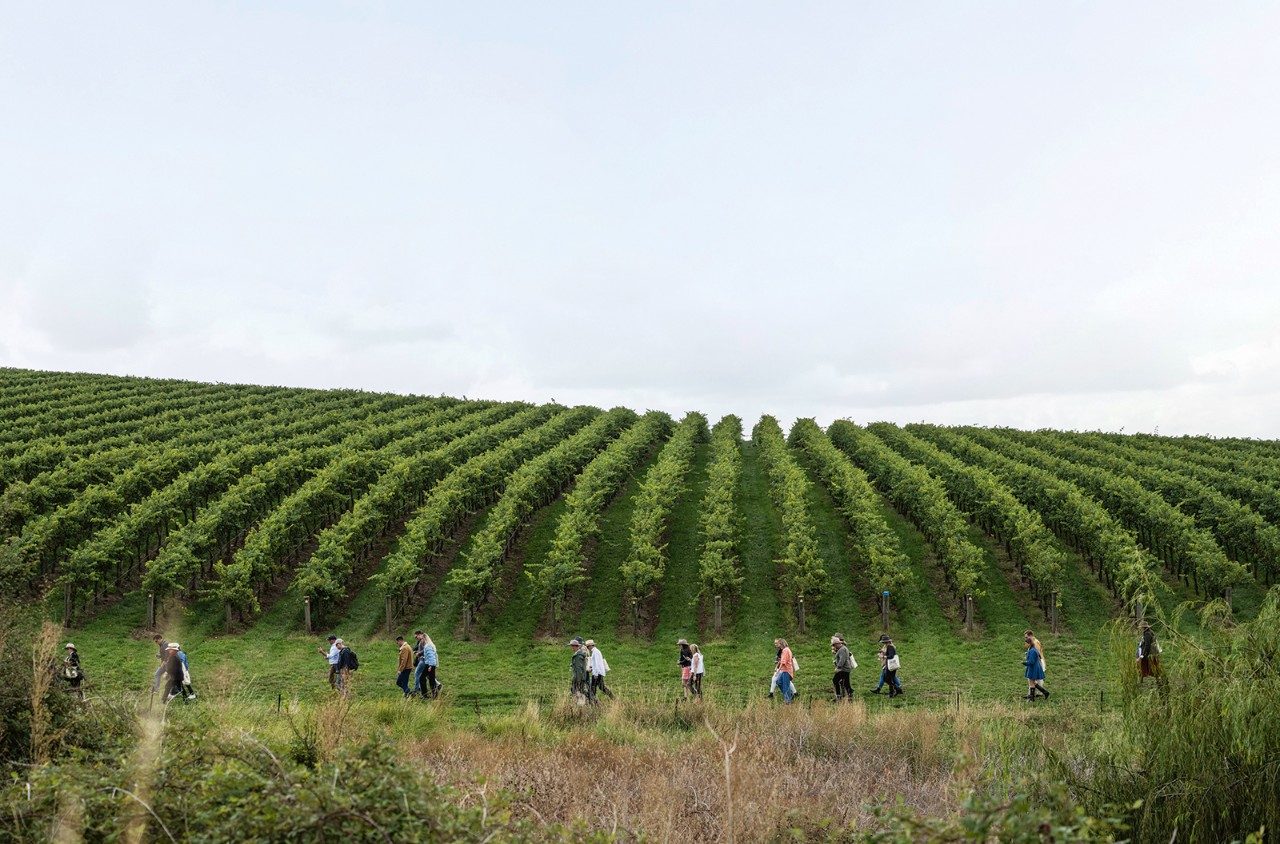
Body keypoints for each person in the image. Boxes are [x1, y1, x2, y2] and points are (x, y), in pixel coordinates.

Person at [1024, 634, 1049, 700]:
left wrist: (1025, 663)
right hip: (1035, 667)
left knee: (1031, 683)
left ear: (1029, 643)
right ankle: (1045, 692)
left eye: (1026, 643)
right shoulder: (1033, 649)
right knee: (1034, 682)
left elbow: (1031, 662)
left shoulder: (1032, 650)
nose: (1025, 645)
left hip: (1033, 668)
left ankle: (1031, 698)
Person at [569, 637, 593, 703]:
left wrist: (578, 679)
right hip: (583, 674)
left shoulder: (578, 655)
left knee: (579, 691)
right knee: (582, 690)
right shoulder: (581, 652)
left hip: (580, 676)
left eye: (572, 646)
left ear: (576, 646)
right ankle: (589, 703)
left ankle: (588, 703)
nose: (571, 648)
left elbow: (579, 668)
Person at [832, 635, 855, 701]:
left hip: (844, 669)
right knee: (846, 683)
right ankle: (850, 697)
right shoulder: (843, 648)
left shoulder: (842, 650)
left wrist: (838, 668)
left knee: (835, 680)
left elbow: (842, 660)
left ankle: (839, 697)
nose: (834, 646)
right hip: (846, 669)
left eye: (834, 645)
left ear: (837, 644)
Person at [774, 638, 796, 703]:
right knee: (779, 682)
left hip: (787, 671)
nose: (777, 645)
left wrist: (777, 671)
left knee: (785, 686)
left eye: (778, 643)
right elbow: (782, 660)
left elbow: (783, 662)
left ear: (781, 644)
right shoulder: (786, 650)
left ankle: (788, 701)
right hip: (785, 671)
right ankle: (790, 695)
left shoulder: (785, 650)